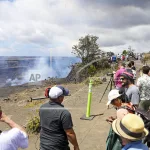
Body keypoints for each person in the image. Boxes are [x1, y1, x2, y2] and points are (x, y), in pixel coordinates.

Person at [39, 85, 79, 150]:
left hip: (43, 146)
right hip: (59, 147)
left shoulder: (42, 107)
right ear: (59, 98)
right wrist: (76, 146)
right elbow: (69, 133)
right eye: (63, 96)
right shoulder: (64, 113)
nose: (63, 97)